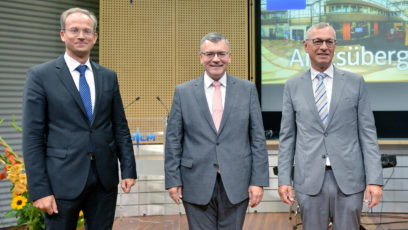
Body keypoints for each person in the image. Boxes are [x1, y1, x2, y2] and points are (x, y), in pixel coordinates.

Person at [22, 7, 137, 229]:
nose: (81, 35)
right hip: (61, 181)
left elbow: (120, 126)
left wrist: (129, 169)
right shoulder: (41, 76)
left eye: (87, 31)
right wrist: (40, 190)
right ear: (63, 34)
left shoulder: (108, 77)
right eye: (74, 30)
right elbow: (32, 137)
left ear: (95, 37)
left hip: (104, 180)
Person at [277, 22, 383, 230]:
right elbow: (287, 137)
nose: (323, 47)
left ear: (335, 46)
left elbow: (368, 134)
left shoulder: (356, 82)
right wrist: (283, 180)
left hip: (349, 179)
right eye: (317, 41)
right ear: (306, 46)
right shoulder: (292, 86)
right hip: (309, 180)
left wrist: (375, 180)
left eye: (329, 42)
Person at [165, 32, 269, 229]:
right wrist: (172, 179)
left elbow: (257, 139)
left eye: (221, 53)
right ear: (201, 57)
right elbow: (173, 141)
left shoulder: (247, 90)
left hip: (237, 183)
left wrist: (258, 181)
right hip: (195, 181)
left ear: (229, 57)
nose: (216, 59)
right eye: (209, 54)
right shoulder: (183, 92)